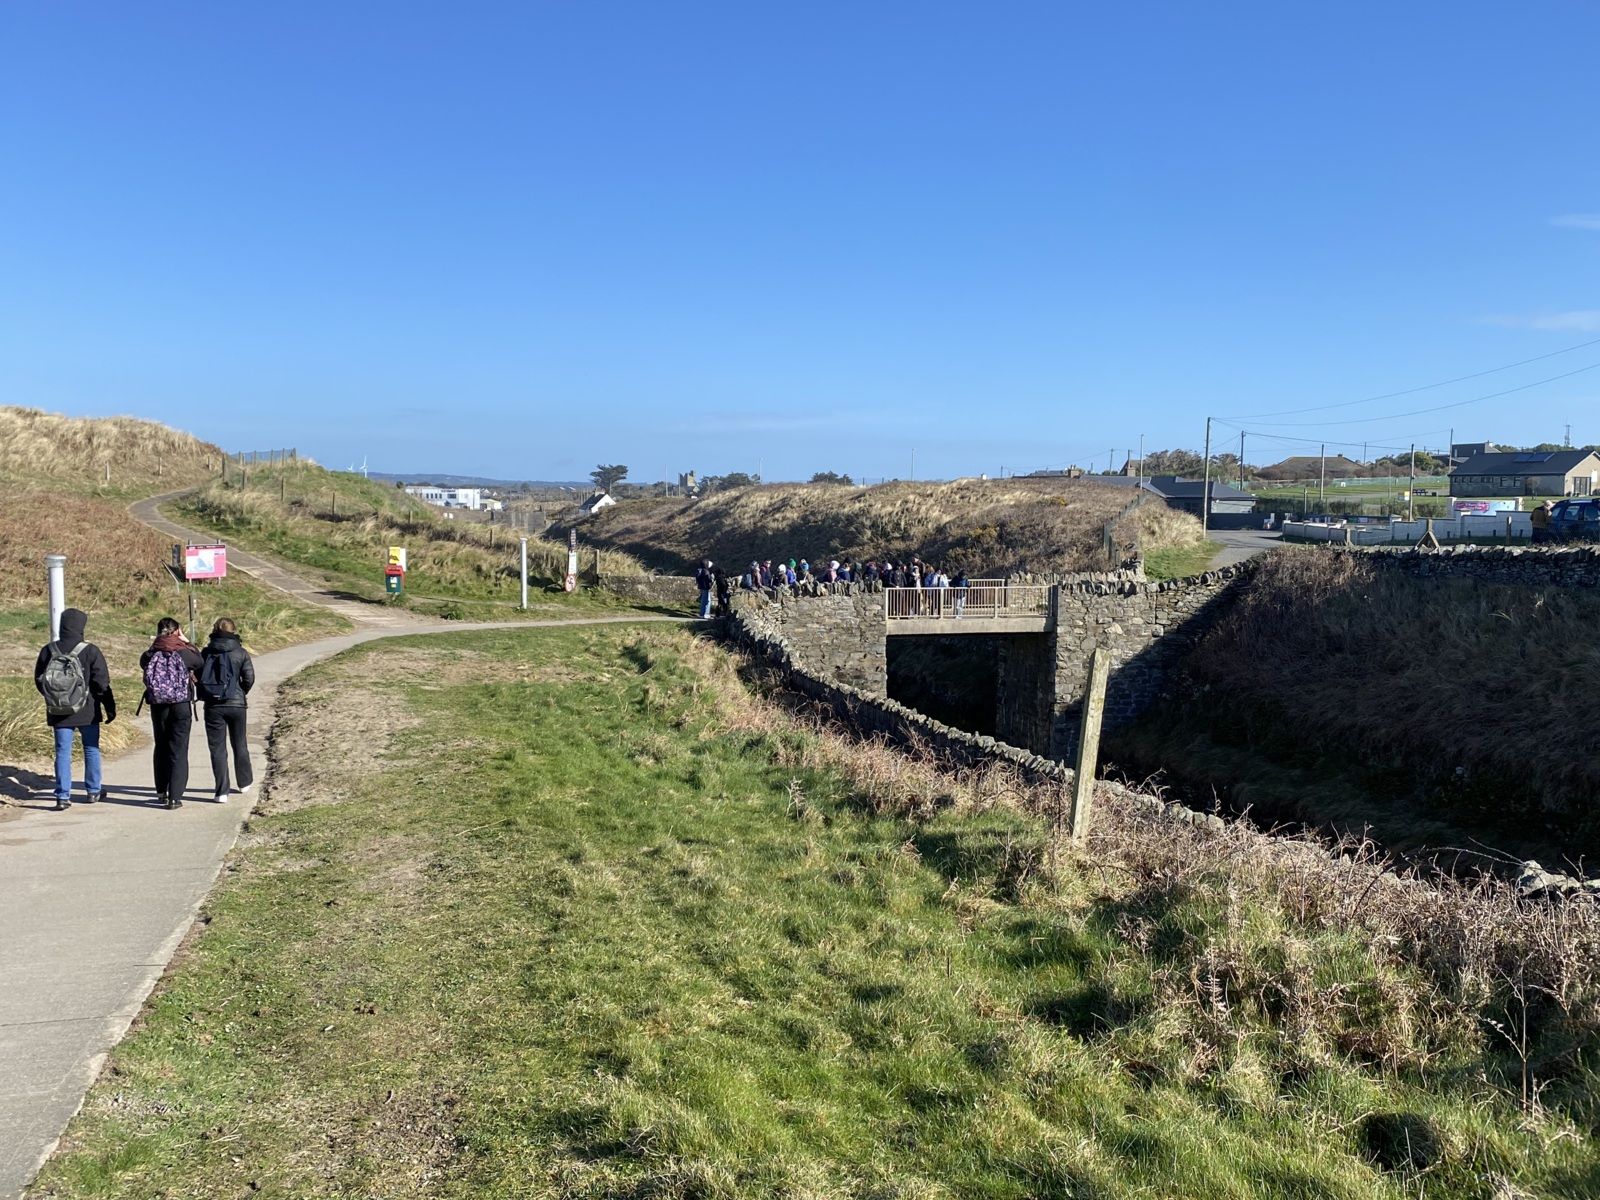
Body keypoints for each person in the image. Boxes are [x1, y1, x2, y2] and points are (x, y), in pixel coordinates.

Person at [34, 607, 116, 810]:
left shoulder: (49, 650)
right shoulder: (90, 650)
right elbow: (102, 683)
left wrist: (55, 698)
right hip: (87, 710)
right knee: (91, 749)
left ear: (62, 625)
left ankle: (62, 796)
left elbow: (40, 680)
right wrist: (108, 706)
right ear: (81, 626)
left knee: (63, 752)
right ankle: (93, 791)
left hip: (59, 711)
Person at [139, 617, 202, 809]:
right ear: (177, 631)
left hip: (158, 705)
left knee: (161, 746)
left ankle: (161, 790)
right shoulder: (185, 653)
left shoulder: (150, 654)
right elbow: (200, 662)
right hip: (181, 704)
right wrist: (187, 642)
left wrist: (156, 643)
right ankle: (175, 797)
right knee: (179, 749)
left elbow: (143, 663)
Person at [198, 618, 256, 801]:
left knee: (217, 748)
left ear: (214, 630)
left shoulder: (206, 652)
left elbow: (199, 676)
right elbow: (249, 678)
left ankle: (222, 791)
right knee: (240, 743)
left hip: (213, 706)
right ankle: (244, 782)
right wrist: (240, 692)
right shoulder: (241, 652)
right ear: (234, 631)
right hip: (236, 704)